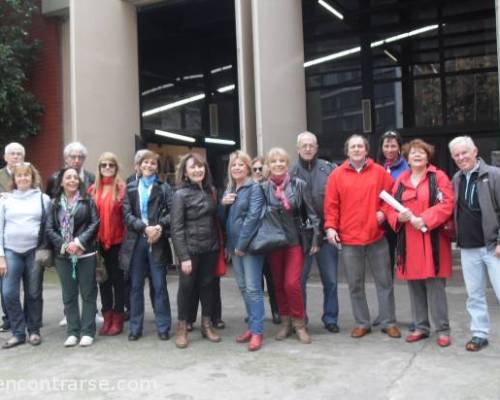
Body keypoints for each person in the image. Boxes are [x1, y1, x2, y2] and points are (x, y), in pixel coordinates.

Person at [324, 134, 400, 339]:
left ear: (366, 150)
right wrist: (330, 228)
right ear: (347, 151)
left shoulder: (380, 173)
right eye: (353, 147)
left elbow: (391, 197)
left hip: (376, 237)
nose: (357, 149)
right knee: (355, 284)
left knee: (384, 282)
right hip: (349, 240)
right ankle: (362, 322)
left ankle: (388, 321)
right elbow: (331, 206)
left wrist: (384, 212)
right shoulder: (336, 175)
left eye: (360, 146)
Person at [384, 139, 454, 347]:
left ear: (427, 156)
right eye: (413, 152)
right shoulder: (401, 180)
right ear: (407, 157)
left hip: (433, 238)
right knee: (414, 285)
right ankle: (421, 326)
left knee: (435, 285)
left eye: (421, 152)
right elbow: (390, 209)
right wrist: (399, 217)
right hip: (410, 241)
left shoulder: (438, 177)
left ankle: (443, 329)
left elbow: (447, 203)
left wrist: (424, 218)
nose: (417, 155)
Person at [264, 147, 320, 344]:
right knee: (278, 285)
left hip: (294, 241)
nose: (278, 164)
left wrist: (315, 238)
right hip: (273, 243)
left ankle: (299, 324)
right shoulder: (263, 188)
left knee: (291, 284)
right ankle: (285, 323)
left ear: (287, 164)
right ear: (268, 165)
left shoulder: (298, 185)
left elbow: (311, 213)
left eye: (282, 161)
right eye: (274, 161)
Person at [449, 136, 500, 352]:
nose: (461, 158)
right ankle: (480, 334)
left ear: (475, 151)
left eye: (465, 153)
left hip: (493, 246)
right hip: (469, 248)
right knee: (475, 295)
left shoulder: (494, 175)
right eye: (457, 155)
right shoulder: (457, 179)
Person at [120, 150, 173, 342]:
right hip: (136, 241)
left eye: (153, 163)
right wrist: (144, 228)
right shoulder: (131, 187)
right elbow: (126, 215)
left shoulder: (164, 187)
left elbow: (172, 212)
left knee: (159, 285)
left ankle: (163, 326)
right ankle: (135, 327)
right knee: (135, 286)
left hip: (157, 240)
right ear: (139, 166)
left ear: (156, 167)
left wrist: (158, 227)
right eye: (145, 163)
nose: (149, 166)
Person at [290, 131, 339, 333]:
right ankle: (302, 319)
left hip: (327, 234)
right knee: (299, 281)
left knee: (331, 281)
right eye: (304, 145)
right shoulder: (289, 172)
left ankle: (330, 318)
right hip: (302, 238)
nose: (308, 148)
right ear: (298, 148)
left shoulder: (330, 170)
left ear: (317, 148)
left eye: (312, 145)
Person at [171, 153, 221, 348]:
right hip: (190, 249)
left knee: (208, 286)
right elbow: (176, 228)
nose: (197, 170)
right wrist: (183, 256)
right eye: (193, 167)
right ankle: (182, 327)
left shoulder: (210, 191)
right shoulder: (179, 194)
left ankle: (206, 324)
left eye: (200, 167)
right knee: (186, 288)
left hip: (210, 248)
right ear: (185, 172)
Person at [45, 167, 99, 347]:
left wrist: (79, 242)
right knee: (69, 295)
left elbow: (94, 223)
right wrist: (65, 245)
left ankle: (87, 331)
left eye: (75, 177)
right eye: (68, 177)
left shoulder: (87, 201)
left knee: (88, 293)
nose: (72, 180)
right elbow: (49, 229)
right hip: (64, 255)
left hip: (85, 253)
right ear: (61, 182)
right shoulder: (54, 204)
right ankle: (72, 331)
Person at [0, 162, 50, 348]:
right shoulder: (5, 200)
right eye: (19, 175)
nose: (23, 178)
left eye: (26, 175)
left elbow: (48, 225)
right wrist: (1, 256)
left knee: (34, 292)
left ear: (32, 177)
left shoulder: (42, 199)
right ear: (14, 179)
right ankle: (18, 332)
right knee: (8, 293)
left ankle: (34, 331)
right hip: (11, 251)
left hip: (34, 252)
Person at [221, 151, 265, 351]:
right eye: (233, 165)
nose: (236, 168)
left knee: (254, 289)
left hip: (249, 248)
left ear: (247, 167)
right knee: (243, 288)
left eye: (240, 164)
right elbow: (224, 220)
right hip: (234, 247)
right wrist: (223, 204)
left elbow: (253, 218)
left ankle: (257, 332)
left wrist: (241, 245)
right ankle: (251, 326)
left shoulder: (254, 188)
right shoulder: (230, 189)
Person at [88, 152, 126, 336]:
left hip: (118, 243)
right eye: (104, 165)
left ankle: (118, 318)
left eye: (111, 165)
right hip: (98, 244)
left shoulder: (122, 189)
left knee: (118, 282)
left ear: (116, 167)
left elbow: (127, 218)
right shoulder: (92, 190)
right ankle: (107, 317)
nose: (107, 168)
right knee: (103, 281)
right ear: (99, 168)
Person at [0, 142, 26, 333]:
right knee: (6, 282)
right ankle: (9, 317)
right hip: (4, 231)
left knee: (30, 284)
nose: (16, 157)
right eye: (13, 154)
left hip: (25, 232)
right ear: (6, 157)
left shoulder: (29, 173)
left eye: (19, 154)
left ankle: (31, 319)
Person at [251, 156, 280, 324]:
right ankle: (257, 312)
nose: (257, 172)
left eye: (260, 169)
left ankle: (276, 311)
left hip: (269, 240)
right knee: (255, 282)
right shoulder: (246, 188)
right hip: (253, 241)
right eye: (253, 169)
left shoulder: (272, 187)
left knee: (272, 279)